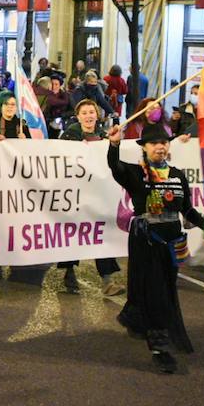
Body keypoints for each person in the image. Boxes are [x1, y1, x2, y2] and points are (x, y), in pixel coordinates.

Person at [105, 123, 204, 373]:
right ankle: (159, 346)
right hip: (146, 241)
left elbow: (188, 210)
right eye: (154, 143)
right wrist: (114, 144)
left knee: (166, 289)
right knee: (155, 291)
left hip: (172, 243)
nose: (160, 146)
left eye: (164, 142)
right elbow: (115, 167)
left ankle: (137, 318)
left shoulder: (177, 175)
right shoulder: (136, 173)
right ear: (145, 148)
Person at [56, 100, 126, 296]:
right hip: (75, 194)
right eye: (84, 112)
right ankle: (69, 273)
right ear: (78, 117)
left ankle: (107, 281)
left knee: (100, 234)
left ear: (97, 115)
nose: (88, 116)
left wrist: (114, 144)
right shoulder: (70, 135)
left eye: (91, 112)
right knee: (73, 234)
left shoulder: (104, 136)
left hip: (98, 193)